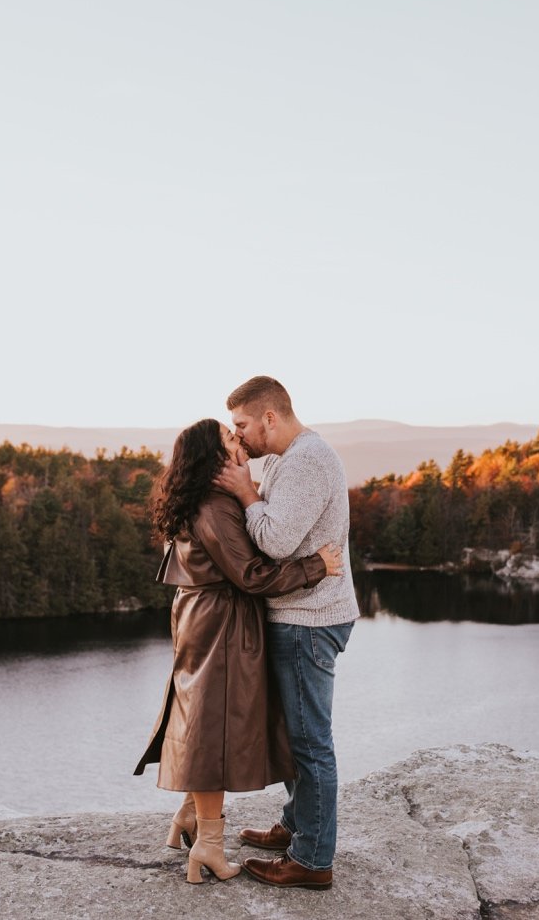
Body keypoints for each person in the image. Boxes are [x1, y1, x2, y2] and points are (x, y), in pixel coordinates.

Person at [134, 418, 343, 885]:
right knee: (212, 728)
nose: (239, 439)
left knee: (204, 721)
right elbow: (250, 575)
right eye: (230, 437)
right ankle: (208, 843)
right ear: (214, 457)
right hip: (221, 625)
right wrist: (316, 566)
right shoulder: (215, 508)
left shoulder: (205, 500)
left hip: (206, 619)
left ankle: (191, 815)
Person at [214, 376, 360, 891]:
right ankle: (298, 826)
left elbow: (275, 541)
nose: (239, 436)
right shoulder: (284, 458)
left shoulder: (306, 461)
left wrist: (245, 491)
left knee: (310, 742)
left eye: (242, 425)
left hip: (309, 618)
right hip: (300, 612)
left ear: (269, 417)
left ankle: (313, 861)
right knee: (292, 734)